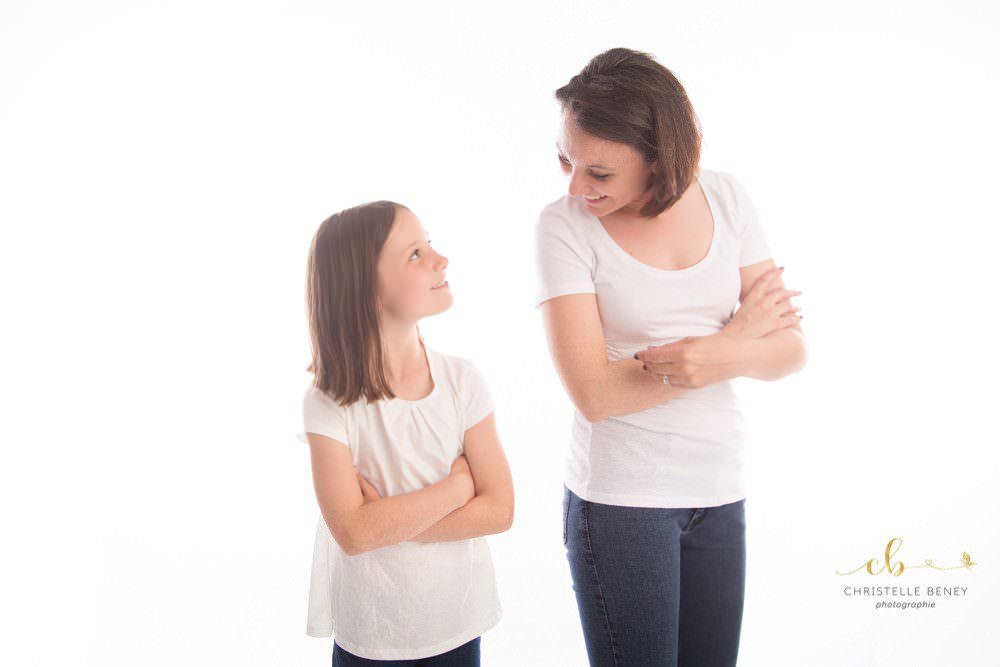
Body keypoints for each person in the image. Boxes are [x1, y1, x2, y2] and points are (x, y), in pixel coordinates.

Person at [534, 48, 807, 666]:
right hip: (622, 505)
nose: (575, 186)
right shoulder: (562, 226)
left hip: (719, 488)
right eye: (565, 160)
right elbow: (594, 395)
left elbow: (790, 349)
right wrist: (730, 345)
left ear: (660, 157)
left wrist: (718, 355)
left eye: (599, 172)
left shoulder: (727, 198)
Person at [297, 200, 514, 665]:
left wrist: (388, 523)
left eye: (429, 244)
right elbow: (354, 533)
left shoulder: (462, 381)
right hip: (370, 635)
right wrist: (458, 489)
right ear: (366, 288)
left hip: (457, 625)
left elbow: (499, 510)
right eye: (415, 253)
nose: (441, 259)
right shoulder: (328, 403)